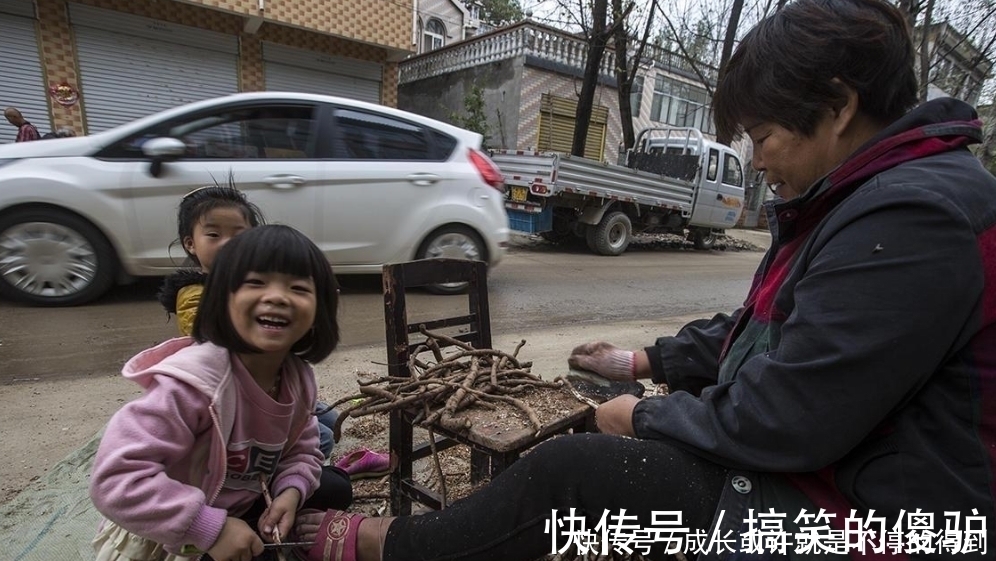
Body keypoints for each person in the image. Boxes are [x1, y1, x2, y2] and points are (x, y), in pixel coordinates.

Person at [289, 0, 996, 559]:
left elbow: (786, 420)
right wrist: (647, 361)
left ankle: (389, 547)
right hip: (854, 471)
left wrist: (641, 411)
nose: (753, 161)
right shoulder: (871, 194)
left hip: (884, 523)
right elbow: (775, 330)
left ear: (839, 107)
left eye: (763, 134)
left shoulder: (913, 214)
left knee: (574, 473)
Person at [91, 225, 351, 561]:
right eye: (255, 283)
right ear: (220, 300)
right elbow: (116, 479)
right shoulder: (193, 385)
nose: (277, 296)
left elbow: (303, 449)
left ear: (320, 312)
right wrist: (211, 529)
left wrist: (289, 493)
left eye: (298, 288)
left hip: (236, 500)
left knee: (334, 487)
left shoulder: (297, 379)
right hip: (168, 531)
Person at [157, 183, 342, 461]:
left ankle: (288, 477)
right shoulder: (195, 295)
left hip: (264, 381)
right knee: (322, 438)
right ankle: (259, 475)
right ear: (190, 243)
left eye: (238, 234)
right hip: (226, 391)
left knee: (329, 418)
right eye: (213, 234)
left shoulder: (297, 374)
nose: (227, 243)